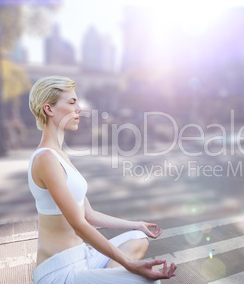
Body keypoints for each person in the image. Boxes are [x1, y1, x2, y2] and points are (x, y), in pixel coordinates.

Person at [28, 76, 177, 283]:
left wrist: (135, 224)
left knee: (138, 238)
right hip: (60, 271)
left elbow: (89, 215)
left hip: (83, 257)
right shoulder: (46, 159)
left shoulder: (59, 155)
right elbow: (79, 226)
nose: (79, 108)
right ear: (49, 109)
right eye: (71, 102)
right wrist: (129, 264)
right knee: (149, 281)